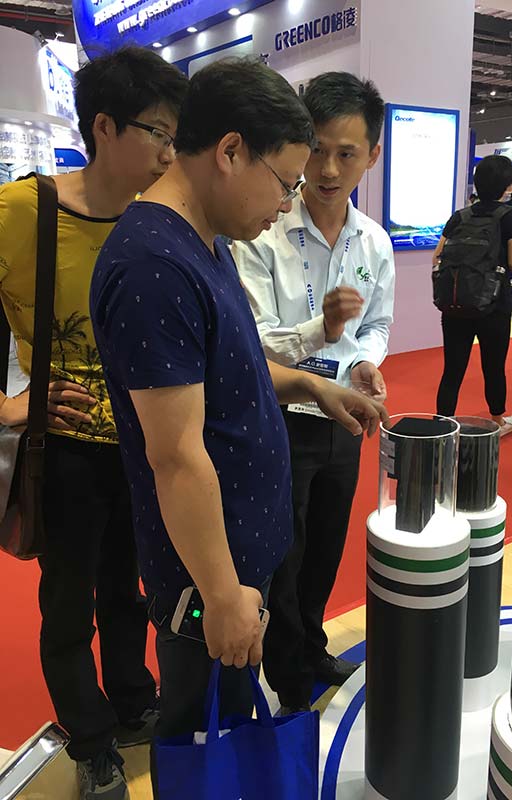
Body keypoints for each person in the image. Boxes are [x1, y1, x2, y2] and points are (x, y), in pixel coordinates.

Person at [88, 58, 388, 791]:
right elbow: (176, 456)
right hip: (204, 580)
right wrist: (222, 596)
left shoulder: (203, 240)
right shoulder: (154, 266)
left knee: (227, 731)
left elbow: (234, 367)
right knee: (202, 741)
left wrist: (312, 387)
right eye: (284, 182)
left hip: (236, 556)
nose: (286, 205)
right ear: (229, 151)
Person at [0, 47, 187, 800]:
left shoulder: (158, 218)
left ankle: (134, 702)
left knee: (129, 589)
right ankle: (90, 738)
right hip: (65, 451)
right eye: (158, 133)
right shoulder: (23, 212)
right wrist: (8, 406)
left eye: (176, 137)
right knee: (69, 602)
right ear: (104, 127)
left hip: (146, 447)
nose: (170, 154)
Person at [232, 71, 394, 713]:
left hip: (346, 418)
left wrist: (367, 361)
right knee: (285, 553)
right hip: (282, 416)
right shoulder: (263, 230)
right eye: (318, 150)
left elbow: (377, 322)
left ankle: (312, 646)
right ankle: (288, 675)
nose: (327, 170)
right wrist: (318, 331)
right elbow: (252, 343)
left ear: (372, 155)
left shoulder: (373, 241)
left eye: (346, 154)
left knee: (326, 544)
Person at [433, 155, 512, 436]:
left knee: (452, 369)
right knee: (493, 366)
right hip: (494, 305)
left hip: (456, 303)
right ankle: (497, 420)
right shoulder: (511, 216)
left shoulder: (459, 216)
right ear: (506, 185)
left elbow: (437, 256)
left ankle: (442, 426)